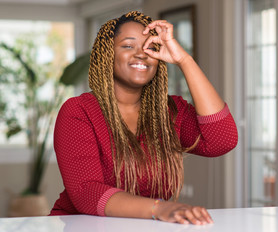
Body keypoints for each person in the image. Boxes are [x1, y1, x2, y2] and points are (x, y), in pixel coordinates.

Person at [50, 11, 238, 225]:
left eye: (150, 47)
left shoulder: (170, 111)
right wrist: (161, 208)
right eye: (128, 46)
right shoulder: (79, 111)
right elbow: (87, 191)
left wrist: (184, 60)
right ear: (107, 54)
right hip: (83, 227)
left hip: (146, 226)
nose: (141, 54)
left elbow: (222, 140)